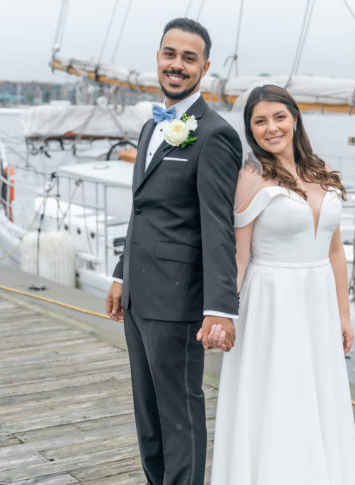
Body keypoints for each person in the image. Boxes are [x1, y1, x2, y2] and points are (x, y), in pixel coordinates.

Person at [105, 18, 242, 485]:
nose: (177, 65)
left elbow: (218, 226)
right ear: (158, 58)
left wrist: (220, 308)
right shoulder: (150, 127)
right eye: (170, 54)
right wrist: (121, 274)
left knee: (178, 413)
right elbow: (142, 210)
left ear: (205, 66)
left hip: (178, 301)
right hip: (138, 297)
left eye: (189, 58)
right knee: (148, 416)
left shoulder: (216, 135)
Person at [209, 84, 355, 484]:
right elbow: (239, 256)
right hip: (271, 303)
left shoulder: (320, 171)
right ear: (250, 129)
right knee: (277, 396)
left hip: (318, 301)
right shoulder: (251, 177)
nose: (271, 127)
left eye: (279, 117)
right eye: (260, 121)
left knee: (317, 394)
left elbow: (335, 251)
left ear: (295, 119)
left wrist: (343, 315)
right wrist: (222, 314)